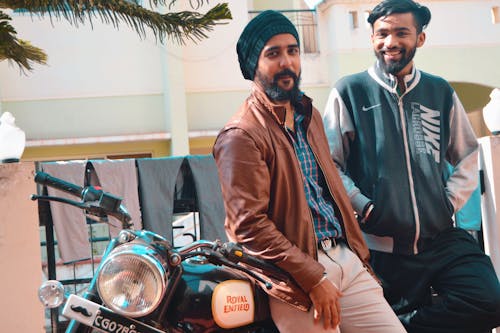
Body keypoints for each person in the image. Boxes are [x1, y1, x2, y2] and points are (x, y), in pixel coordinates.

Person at [213, 10, 406, 333]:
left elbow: (327, 190)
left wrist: (356, 254)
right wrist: (313, 277)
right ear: (252, 65)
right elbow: (248, 226)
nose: (286, 61)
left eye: (292, 50)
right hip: (293, 277)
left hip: (346, 259)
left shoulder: (309, 114)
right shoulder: (241, 136)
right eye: (272, 53)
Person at [322, 1, 500, 332]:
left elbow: (467, 153)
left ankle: (399, 328)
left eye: (401, 33)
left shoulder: (439, 91)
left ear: (420, 39)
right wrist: (365, 207)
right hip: (379, 246)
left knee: (489, 300)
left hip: (440, 238)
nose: (390, 42)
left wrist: (449, 201)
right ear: (372, 38)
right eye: (382, 33)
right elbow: (330, 165)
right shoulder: (349, 91)